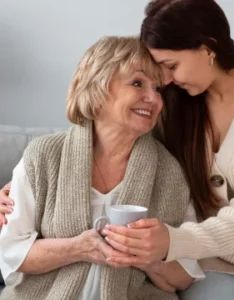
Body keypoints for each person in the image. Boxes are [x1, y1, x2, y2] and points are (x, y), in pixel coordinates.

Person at [89, 1, 234, 300]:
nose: (165, 79)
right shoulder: (169, 98)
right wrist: (23, 187)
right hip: (205, 259)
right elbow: (107, 130)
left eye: (171, 65)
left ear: (208, 47)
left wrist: (173, 241)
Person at [0, 36, 204, 300]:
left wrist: (146, 258)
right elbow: (11, 251)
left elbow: (184, 275)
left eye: (157, 89)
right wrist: (78, 248)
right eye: (137, 83)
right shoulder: (44, 155)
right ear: (98, 88)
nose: (153, 99)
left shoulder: (169, 172)